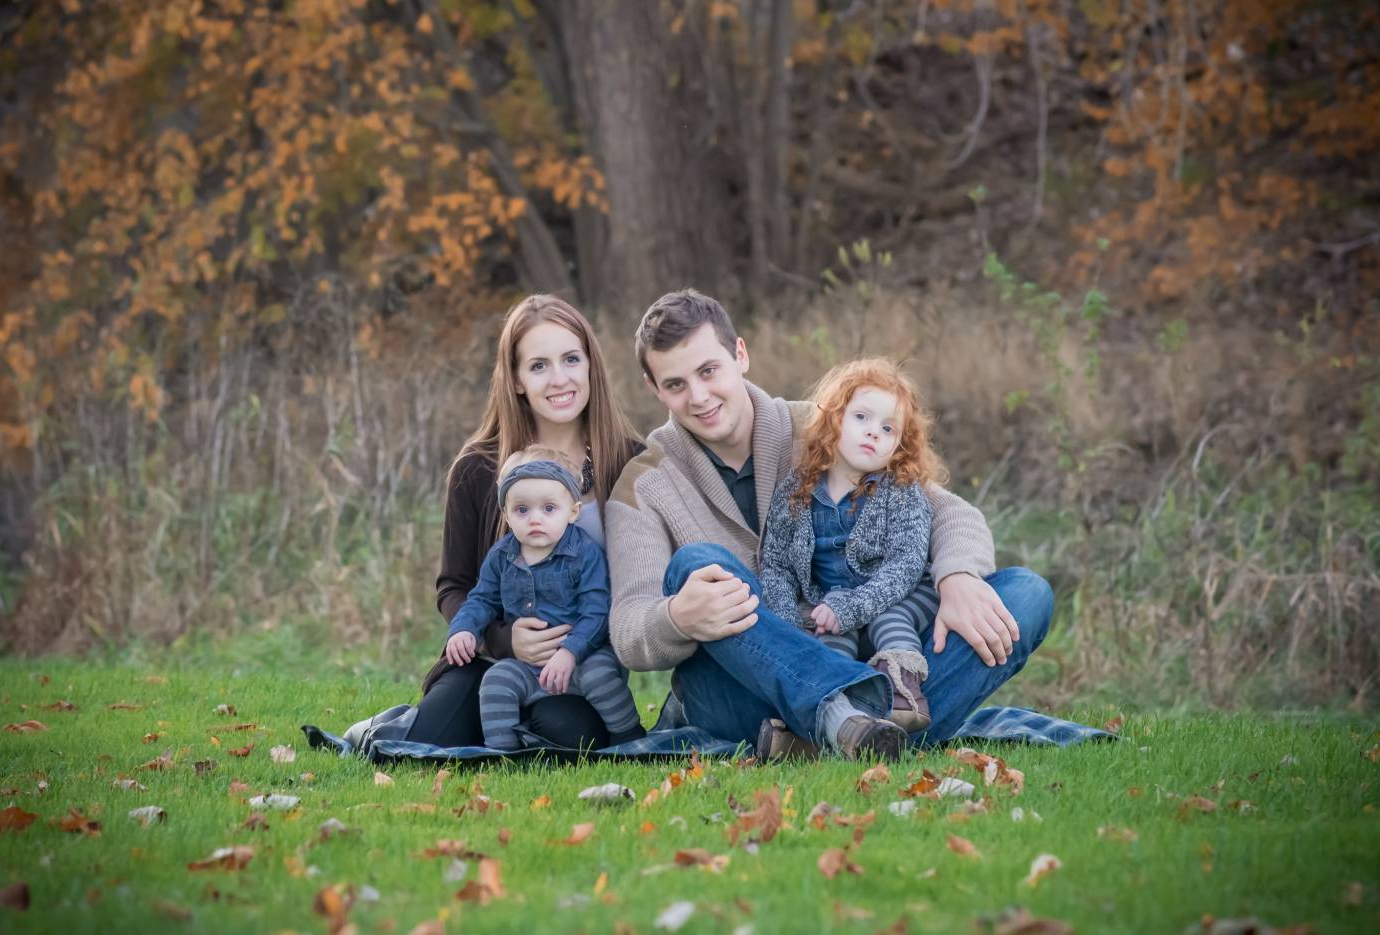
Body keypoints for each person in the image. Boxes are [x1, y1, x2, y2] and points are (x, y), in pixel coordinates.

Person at [605, 288, 1053, 758]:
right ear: (653, 389)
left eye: (708, 371)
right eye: (675, 384)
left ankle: (828, 733)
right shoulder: (645, 483)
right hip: (743, 690)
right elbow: (629, 631)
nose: (699, 396)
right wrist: (678, 618)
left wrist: (957, 576)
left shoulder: (824, 429)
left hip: (861, 646)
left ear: (740, 355)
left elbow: (951, 513)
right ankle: (858, 717)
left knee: (1027, 594)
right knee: (698, 564)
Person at [408, 294, 644, 749]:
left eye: (571, 359)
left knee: (566, 735)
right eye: (538, 366)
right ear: (516, 379)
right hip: (492, 660)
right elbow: (453, 586)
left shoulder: (629, 463)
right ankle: (395, 725)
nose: (559, 379)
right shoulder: (477, 468)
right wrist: (502, 641)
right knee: (428, 739)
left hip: (580, 667)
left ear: (591, 365)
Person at [759, 358, 941, 733]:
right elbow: (775, 563)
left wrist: (855, 605)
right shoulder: (797, 489)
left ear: (899, 444)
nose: (873, 432)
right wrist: (787, 623)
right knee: (826, 637)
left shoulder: (900, 490)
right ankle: (842, 715)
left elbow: (906, 563)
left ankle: (902, 694)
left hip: (902, 594)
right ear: (834, 420)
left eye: (888, 428)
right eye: (861, 418)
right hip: (831, 603)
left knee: (889, 618)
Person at [443, 447, 644, 750]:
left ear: (572, 511)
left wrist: (570, 652)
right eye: (522, 510)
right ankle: (503, 751)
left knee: (601, 676)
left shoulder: (584, 554)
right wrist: (463, 629)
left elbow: (597, 612)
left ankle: (629, 737)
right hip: (528, 666)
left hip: (583, 657)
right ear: (507, 514)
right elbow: (481, 599)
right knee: (497, 681)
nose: (535, 519)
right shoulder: (502, 556)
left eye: (549, 509)